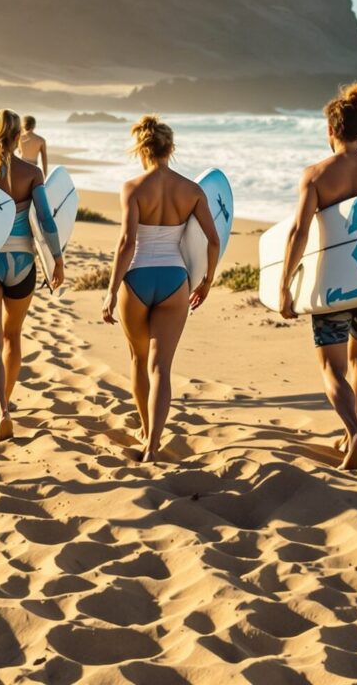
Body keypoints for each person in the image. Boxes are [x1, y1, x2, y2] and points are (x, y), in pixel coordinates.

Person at [275, 82, 357, 471]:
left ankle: (354, 432)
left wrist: (284, 285)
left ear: (331, 131)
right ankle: (354, 432)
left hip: (332, 286)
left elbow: (299, 232)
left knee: (332, 367)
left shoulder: (315, 176)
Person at [101, 116, 219, 463]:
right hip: (174, 281)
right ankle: (153, 444)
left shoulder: (133, 188)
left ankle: (143, 425)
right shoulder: (192, 191)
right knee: (161, 368)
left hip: (136, 278)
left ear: (141, 149)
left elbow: (126, 242)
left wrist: (110, 291)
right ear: (171, 148)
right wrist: (207, 281)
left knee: (138, 361)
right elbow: (213, 240)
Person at [0, 110, 63, 442]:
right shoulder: (32, 172)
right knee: (12, 337)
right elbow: (46, 221)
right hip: (23, 262)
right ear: (19, 135)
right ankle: (2, 402)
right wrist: (57, 259)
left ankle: (0, 410)